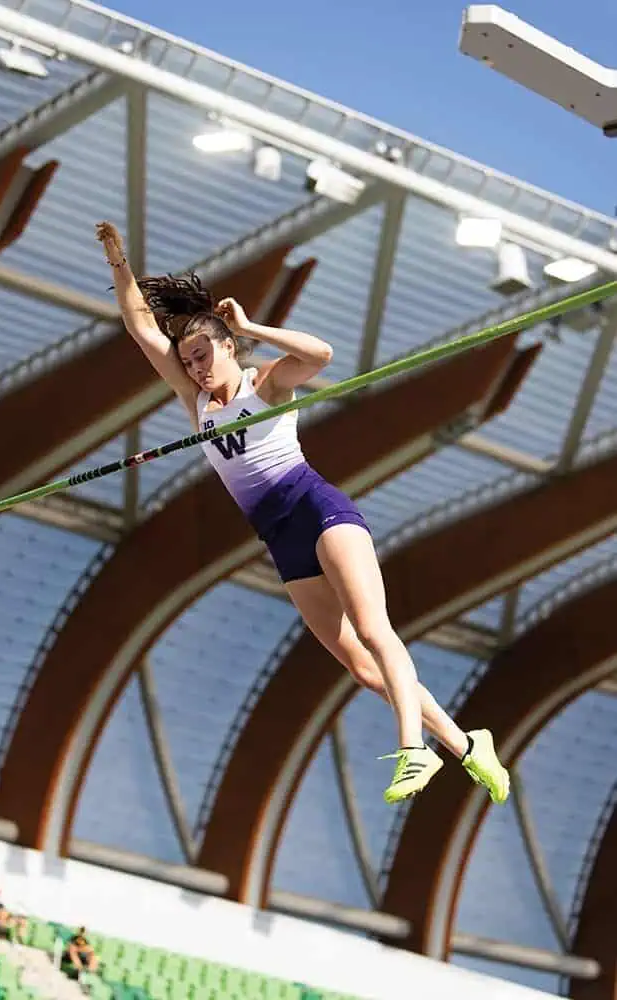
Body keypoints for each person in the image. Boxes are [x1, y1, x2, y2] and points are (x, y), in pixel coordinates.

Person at [95, 221, 510, 807]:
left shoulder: (265, 385)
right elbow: (141, 327)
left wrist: (251, 326)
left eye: (201, 354)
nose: (193, 368)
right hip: (280, 540)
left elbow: (321, 355)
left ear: (227, 346)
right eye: (186, 360)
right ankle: (468, 747)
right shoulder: (196, 404)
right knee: (363, 670)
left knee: (374, 630)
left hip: (318, 511)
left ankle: (415, 749)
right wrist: (118, 263)